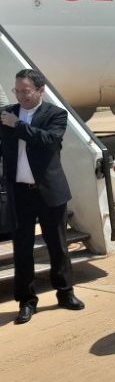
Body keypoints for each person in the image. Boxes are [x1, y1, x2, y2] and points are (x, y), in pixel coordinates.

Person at [1, 69, 84, 324]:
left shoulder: (55, 114)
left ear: (40, 90)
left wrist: (19, 126)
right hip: (20, 193)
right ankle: (26, 301)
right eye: (18, 91)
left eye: (26, 91)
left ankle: (65, 292)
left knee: (57, 245)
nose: (22, 96)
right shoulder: (7, 114)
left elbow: (49, 141)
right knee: (22, 248)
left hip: (49, 191)